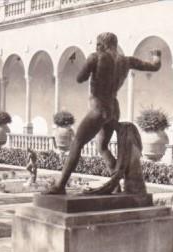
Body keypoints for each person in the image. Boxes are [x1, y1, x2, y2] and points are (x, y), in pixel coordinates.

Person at [46, 32, 161, 194]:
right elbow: (154, 66)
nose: (96, 46)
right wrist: (157, 57)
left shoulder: (96, 57)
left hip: (98, 108)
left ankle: (60, 186)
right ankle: (115, 185)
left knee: (77, 143)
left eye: (98, 44)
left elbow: (80, 78)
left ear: (102, 44)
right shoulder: (126, 61)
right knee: (102, 146)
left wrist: (90, 66)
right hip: (113, 108)